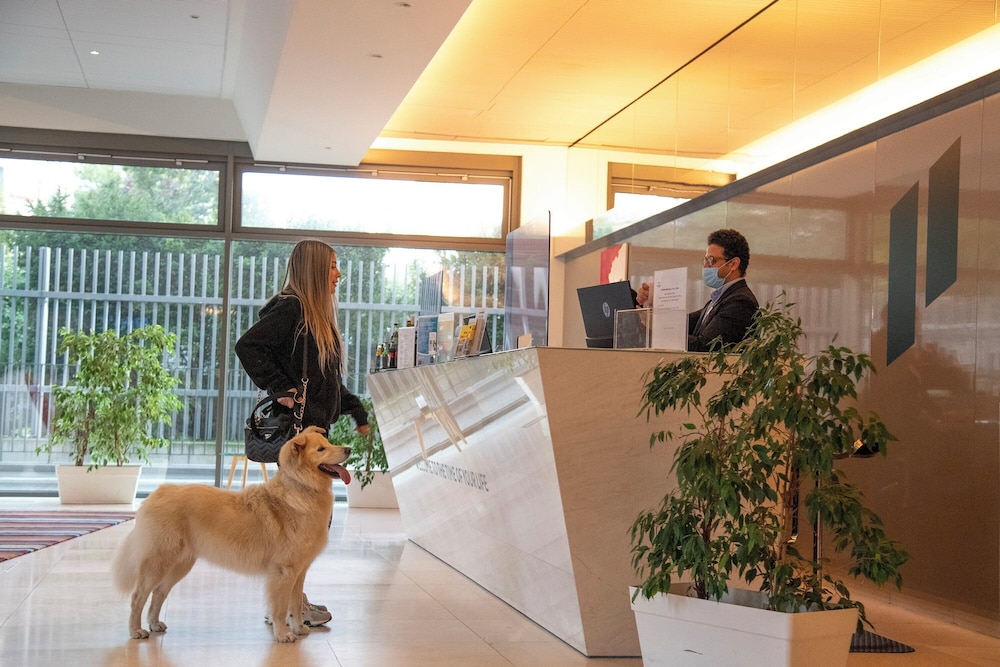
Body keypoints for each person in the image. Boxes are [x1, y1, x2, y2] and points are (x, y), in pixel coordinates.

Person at [235, 239, 369, 627]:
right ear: (313, 269)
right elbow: (248, 346)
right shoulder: (292, 309)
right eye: (332, 266)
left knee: (306, 531)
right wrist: (280, 388)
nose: (338, 274)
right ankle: (290, 606)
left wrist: (355, 409)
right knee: (300, 533)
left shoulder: (315, 319)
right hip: (298, 442)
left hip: (313, 438)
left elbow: (327, 384)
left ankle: (289, 603)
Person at [636, 228, 758, 352]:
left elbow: (704, 347)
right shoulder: (718, 300)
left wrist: (659, 327)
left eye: (711, 260)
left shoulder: (740, 302)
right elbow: (682, 324)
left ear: (733, 264)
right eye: (705, 260)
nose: (705, 266)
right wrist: (654, 301)